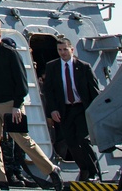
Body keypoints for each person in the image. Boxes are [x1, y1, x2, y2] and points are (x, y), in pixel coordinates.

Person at [0, 20, 62, 191]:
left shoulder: (11, 54)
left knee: (22, 139)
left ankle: (51, 169)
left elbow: (22, 83)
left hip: (12, 104)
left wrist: (17, 105)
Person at [43, 36, 101, 181]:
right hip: (64, 109)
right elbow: (48, 91)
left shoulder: (84, 67)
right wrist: (52, 110)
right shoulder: (52, 67)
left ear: (72, 49)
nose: (62, 53)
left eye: (65, 49)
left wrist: (95, 111)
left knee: (83, 139)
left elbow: (94, 91)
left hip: (81, 108)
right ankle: (84, 169)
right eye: (59, 50)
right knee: (70, 142)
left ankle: (94, 172)